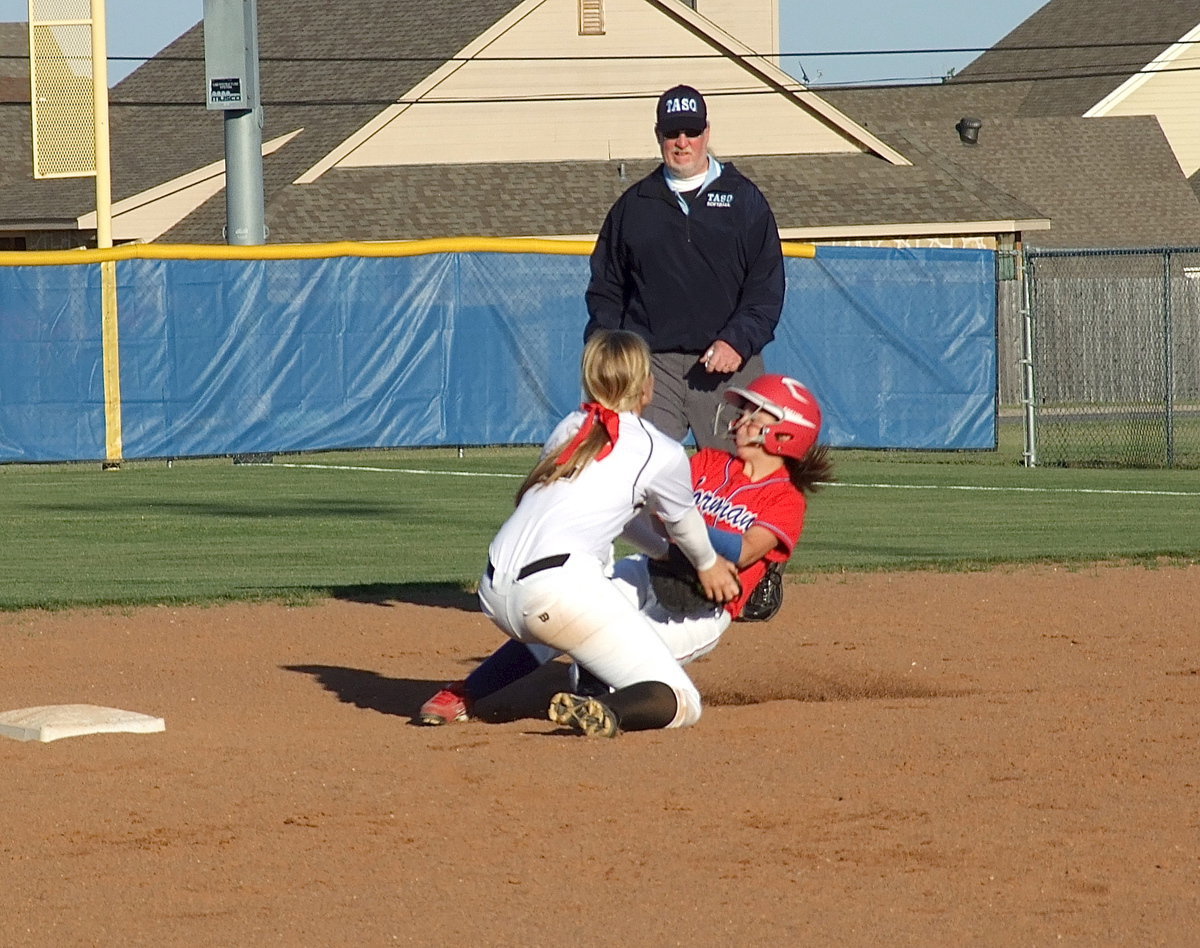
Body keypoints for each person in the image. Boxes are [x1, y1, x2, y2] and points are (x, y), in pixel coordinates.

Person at [417, 372, 831, 728]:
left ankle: (599, 708)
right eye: (743, 410)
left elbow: (742, 551)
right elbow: (656, 517)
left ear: (785, 431)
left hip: (699, 607)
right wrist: (668, 518)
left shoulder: (785, 499)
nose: (740, 419)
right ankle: (465, 694)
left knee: (610, 663)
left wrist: (679, 520)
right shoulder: (707, 462)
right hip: (649, 569)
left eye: (755, 413)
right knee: (564, 618)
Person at [422, 328, 741, 738]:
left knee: (555, 622)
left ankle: (462, 693)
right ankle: (603, 708)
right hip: (554, 594)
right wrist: (708, 564)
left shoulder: (571, 427)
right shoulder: (659, 451)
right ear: (648, 384)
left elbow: (623, 519)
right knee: (682, 699)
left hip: (493, 586)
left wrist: (661, 553)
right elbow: (685, 522)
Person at [584, 84, 785, 451]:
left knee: (739, 479)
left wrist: (735, 341)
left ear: (706, 133)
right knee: (640, 471)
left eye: (691, 131)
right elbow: (606, 290)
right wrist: (610, 356)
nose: (682, 142)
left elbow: (765, 292)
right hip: (651, 370)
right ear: (658, 135)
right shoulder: (634, 207)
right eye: (672, 133)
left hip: (728, 367)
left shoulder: (745, 201)